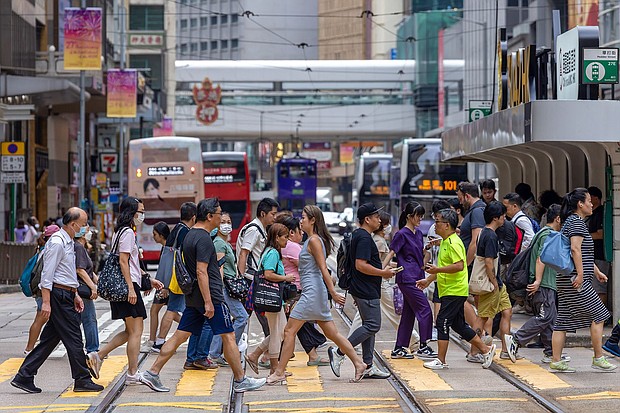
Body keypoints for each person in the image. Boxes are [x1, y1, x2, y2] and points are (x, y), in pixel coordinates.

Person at [139, 198, 266, 393]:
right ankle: (241, 380)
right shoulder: (204, 238)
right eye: (219, 214)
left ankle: (152, 372)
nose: (222, 219)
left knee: (180, 336)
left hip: (193, 299)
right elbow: (201, 271)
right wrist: (209, 301)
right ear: (209, 216)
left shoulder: (190, 235)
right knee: (229, 335)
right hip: (210, 298)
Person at [268, 205, 367, 384]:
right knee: (333, 334)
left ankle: (279, 372)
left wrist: (333, 293)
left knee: (289, 331)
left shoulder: (314, 241)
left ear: (313, 220)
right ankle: (359, 363)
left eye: (304, 217)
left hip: (313, 292)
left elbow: (323, 268)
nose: (301, 220)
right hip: (313, 292)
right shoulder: (309, 240)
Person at [11, 208, 103, 393]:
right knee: (75, 338)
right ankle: (82, 379)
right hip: (59, 296)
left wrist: (75, 294)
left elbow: (66, 273)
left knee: (49, 340)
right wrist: (46, 302)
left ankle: (24, 375)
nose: (85, 228)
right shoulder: (57, 243)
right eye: (84, 224)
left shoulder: (68, 242)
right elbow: (48, 275)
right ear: (73, 224)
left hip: (67, 294)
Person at [86, 198, 164, 385]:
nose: (142, 215)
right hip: (127, 288)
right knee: (137, 331)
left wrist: (148, 280)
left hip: (124, 286)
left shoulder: (120, 231)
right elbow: (123, 261)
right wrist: (131, 288)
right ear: (132, 212)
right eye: (141, 211)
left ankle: (98, 355)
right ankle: (132, 373)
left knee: (130, 331)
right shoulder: (128, 232)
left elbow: (132, 263)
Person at [416, 208, 496, 370]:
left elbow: (459, 266)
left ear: (446, 225)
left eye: (437, 222)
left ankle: (441, 360)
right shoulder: (446, 241)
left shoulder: (454, 243)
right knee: (458, 325)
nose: (435, 225)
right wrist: (428, 280)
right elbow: (443, 266)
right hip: (450, 290)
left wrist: (436, 271)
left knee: (442, 322)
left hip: (455, 290)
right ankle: (486, 350)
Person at [549, 188, 616, 373]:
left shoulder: (571, 222)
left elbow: (582, 254)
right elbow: (575, 250)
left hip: (567, 278)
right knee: (600, 314)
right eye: (588, 201)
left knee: (562, 320)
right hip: (575, 280)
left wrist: (595, 271)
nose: (591, 204)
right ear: (580, 204)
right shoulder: (577, 223)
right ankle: (599, 357)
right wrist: (580, 275)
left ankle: (556, 360)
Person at [328, 203, 396, 380]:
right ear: (367, 219)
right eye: (376, 217)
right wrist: (384, 273)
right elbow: (361, 265)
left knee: (369, 326)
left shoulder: (359, 235)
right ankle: (339, 351)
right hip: (366, 288)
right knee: (373, 325)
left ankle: (368, 365)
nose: (379, 220)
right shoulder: (365, 238)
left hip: (361, 287)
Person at [350, 210, 421, 354]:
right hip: (378, 282)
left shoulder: (371, 238)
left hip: (376, 281)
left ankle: (352, 344)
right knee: (391, 312)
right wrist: (383, 272)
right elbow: (371, 264)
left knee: (363, 316)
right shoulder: (377, 241)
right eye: (382, 221)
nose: (384, 225)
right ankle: (413, 340)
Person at [505, 205, 565, 363]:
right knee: (545, 317)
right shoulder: (549, 235)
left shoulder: (543, 233)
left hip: (546, 283)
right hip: (543, 283)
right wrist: (538, 281)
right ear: (558, 218)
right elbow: (541, 258)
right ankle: (516, 340)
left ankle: (551, 352)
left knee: (551, 319)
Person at [384, 202, 436, 360]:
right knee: (425, 310)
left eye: (421, 215)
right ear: (409, 216)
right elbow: (391, 253)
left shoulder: (419, 234)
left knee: (409, 313)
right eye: (418, 215)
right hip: (407, 278)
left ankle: (399, 347)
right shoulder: (401, 234)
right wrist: (381, 271)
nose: (420, 218)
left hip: (417, 276)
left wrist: (427, 249)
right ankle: (423, 345)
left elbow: (421, 257)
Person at [276, 214, 328, 366]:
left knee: (295, 327)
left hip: (300, 291)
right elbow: (312, 265)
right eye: (299, 230)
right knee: (290, 328)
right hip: (298, 291)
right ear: (292, 233)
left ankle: (312, 355)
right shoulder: (293, 247)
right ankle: (265, 356)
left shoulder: (295, 245)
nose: (302, 232)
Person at [246, 223, 296, 375]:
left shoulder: (269, 251)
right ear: (277, 237)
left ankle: (256, 356)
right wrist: (285, 278)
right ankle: (274, 368)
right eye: (285, 237)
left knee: (280, 332)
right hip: (271, 298)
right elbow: (268, 274)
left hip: (273, 298)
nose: (287, 240)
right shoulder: (273, 253)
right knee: (277, 333)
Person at [237, 197, 279, 368]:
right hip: (250, 281)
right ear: (263, 213)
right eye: (272, 214)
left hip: (253, 280)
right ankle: (265, 356)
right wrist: (241, 279)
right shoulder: (254, 230)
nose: (274, 217)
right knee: (262, 319)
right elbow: (243, 254)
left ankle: (266, 355)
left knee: (244, 318)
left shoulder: (261, 229)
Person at [151, 202, 196, 354]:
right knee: (171, 310)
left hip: (173, 279)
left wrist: (163, 283)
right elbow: (176, 259)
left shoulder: (176, 230)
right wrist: (166, 285)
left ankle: (193, 332)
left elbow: (166, 258)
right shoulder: (185, 233)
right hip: (178, 279)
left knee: (177, 310)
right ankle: (159, 342)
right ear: (194, 217)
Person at [207, 212, 249, 365]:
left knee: (223, 322)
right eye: (223, 221)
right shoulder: (219, 243)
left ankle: (215, 353)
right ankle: (228, 351)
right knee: (242, 317)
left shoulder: (223, 242)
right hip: (225, 287)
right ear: (217, 225)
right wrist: (218, 291)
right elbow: (219, 268)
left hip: (227, 287)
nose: (226, 224)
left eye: (229, 221)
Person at [474, 201, 513, 358]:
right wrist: (494, 282)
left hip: (497, 283)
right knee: (483, 316)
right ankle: (474, 351)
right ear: (496, 217)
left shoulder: (485, 232)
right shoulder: (490, 236)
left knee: (507, 311)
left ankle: (505, 350)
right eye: (503, 215)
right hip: (492, 283)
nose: (505, 218)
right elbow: (489, 262)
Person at [24, 224, 60, 355]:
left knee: (43, 320)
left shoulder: (42, 250)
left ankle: (33, 348)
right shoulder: (50, 250)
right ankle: (30, 349)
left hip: (40, 291)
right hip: (44, 292)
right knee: (40, 319)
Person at [144, 221, 171, 352]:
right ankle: (153, 339)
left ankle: (154, 340)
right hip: (162, 285)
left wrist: (165, 288)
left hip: (166, 287)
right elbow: (161, 269)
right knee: (160, 311)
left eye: (155, 234)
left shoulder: (169, 249)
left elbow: (168, 269)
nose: (153, 237)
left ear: (161, 235)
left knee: (169, 312)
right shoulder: (166, 247)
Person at [74, 225, 99, 354]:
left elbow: (88, 270)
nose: (90, 234)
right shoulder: (78, 247)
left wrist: (97, 281)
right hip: (83, 290)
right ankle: (93, 349)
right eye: (88, 231)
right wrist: (92, 287)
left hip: (80, 290)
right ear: (83, 235)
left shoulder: (81, 248)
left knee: (76, 321)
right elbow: (80, 270)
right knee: (89, 319)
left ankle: (76, 347)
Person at [586, 186, 609, 308]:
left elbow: (600, 234)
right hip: (592, 255)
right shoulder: (592, 214)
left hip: (599, 254)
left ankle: (600, 316)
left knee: (599, 287)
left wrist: (583, 237)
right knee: (592, 286)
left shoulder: (600, 213)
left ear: (595, 198)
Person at [456, 182, 486, 267]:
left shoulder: (477, 211)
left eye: (460, 199)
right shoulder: (474, 211)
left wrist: (466, 265)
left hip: (472, 265)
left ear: (467, 196)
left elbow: (475, 241)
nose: (460, 203)